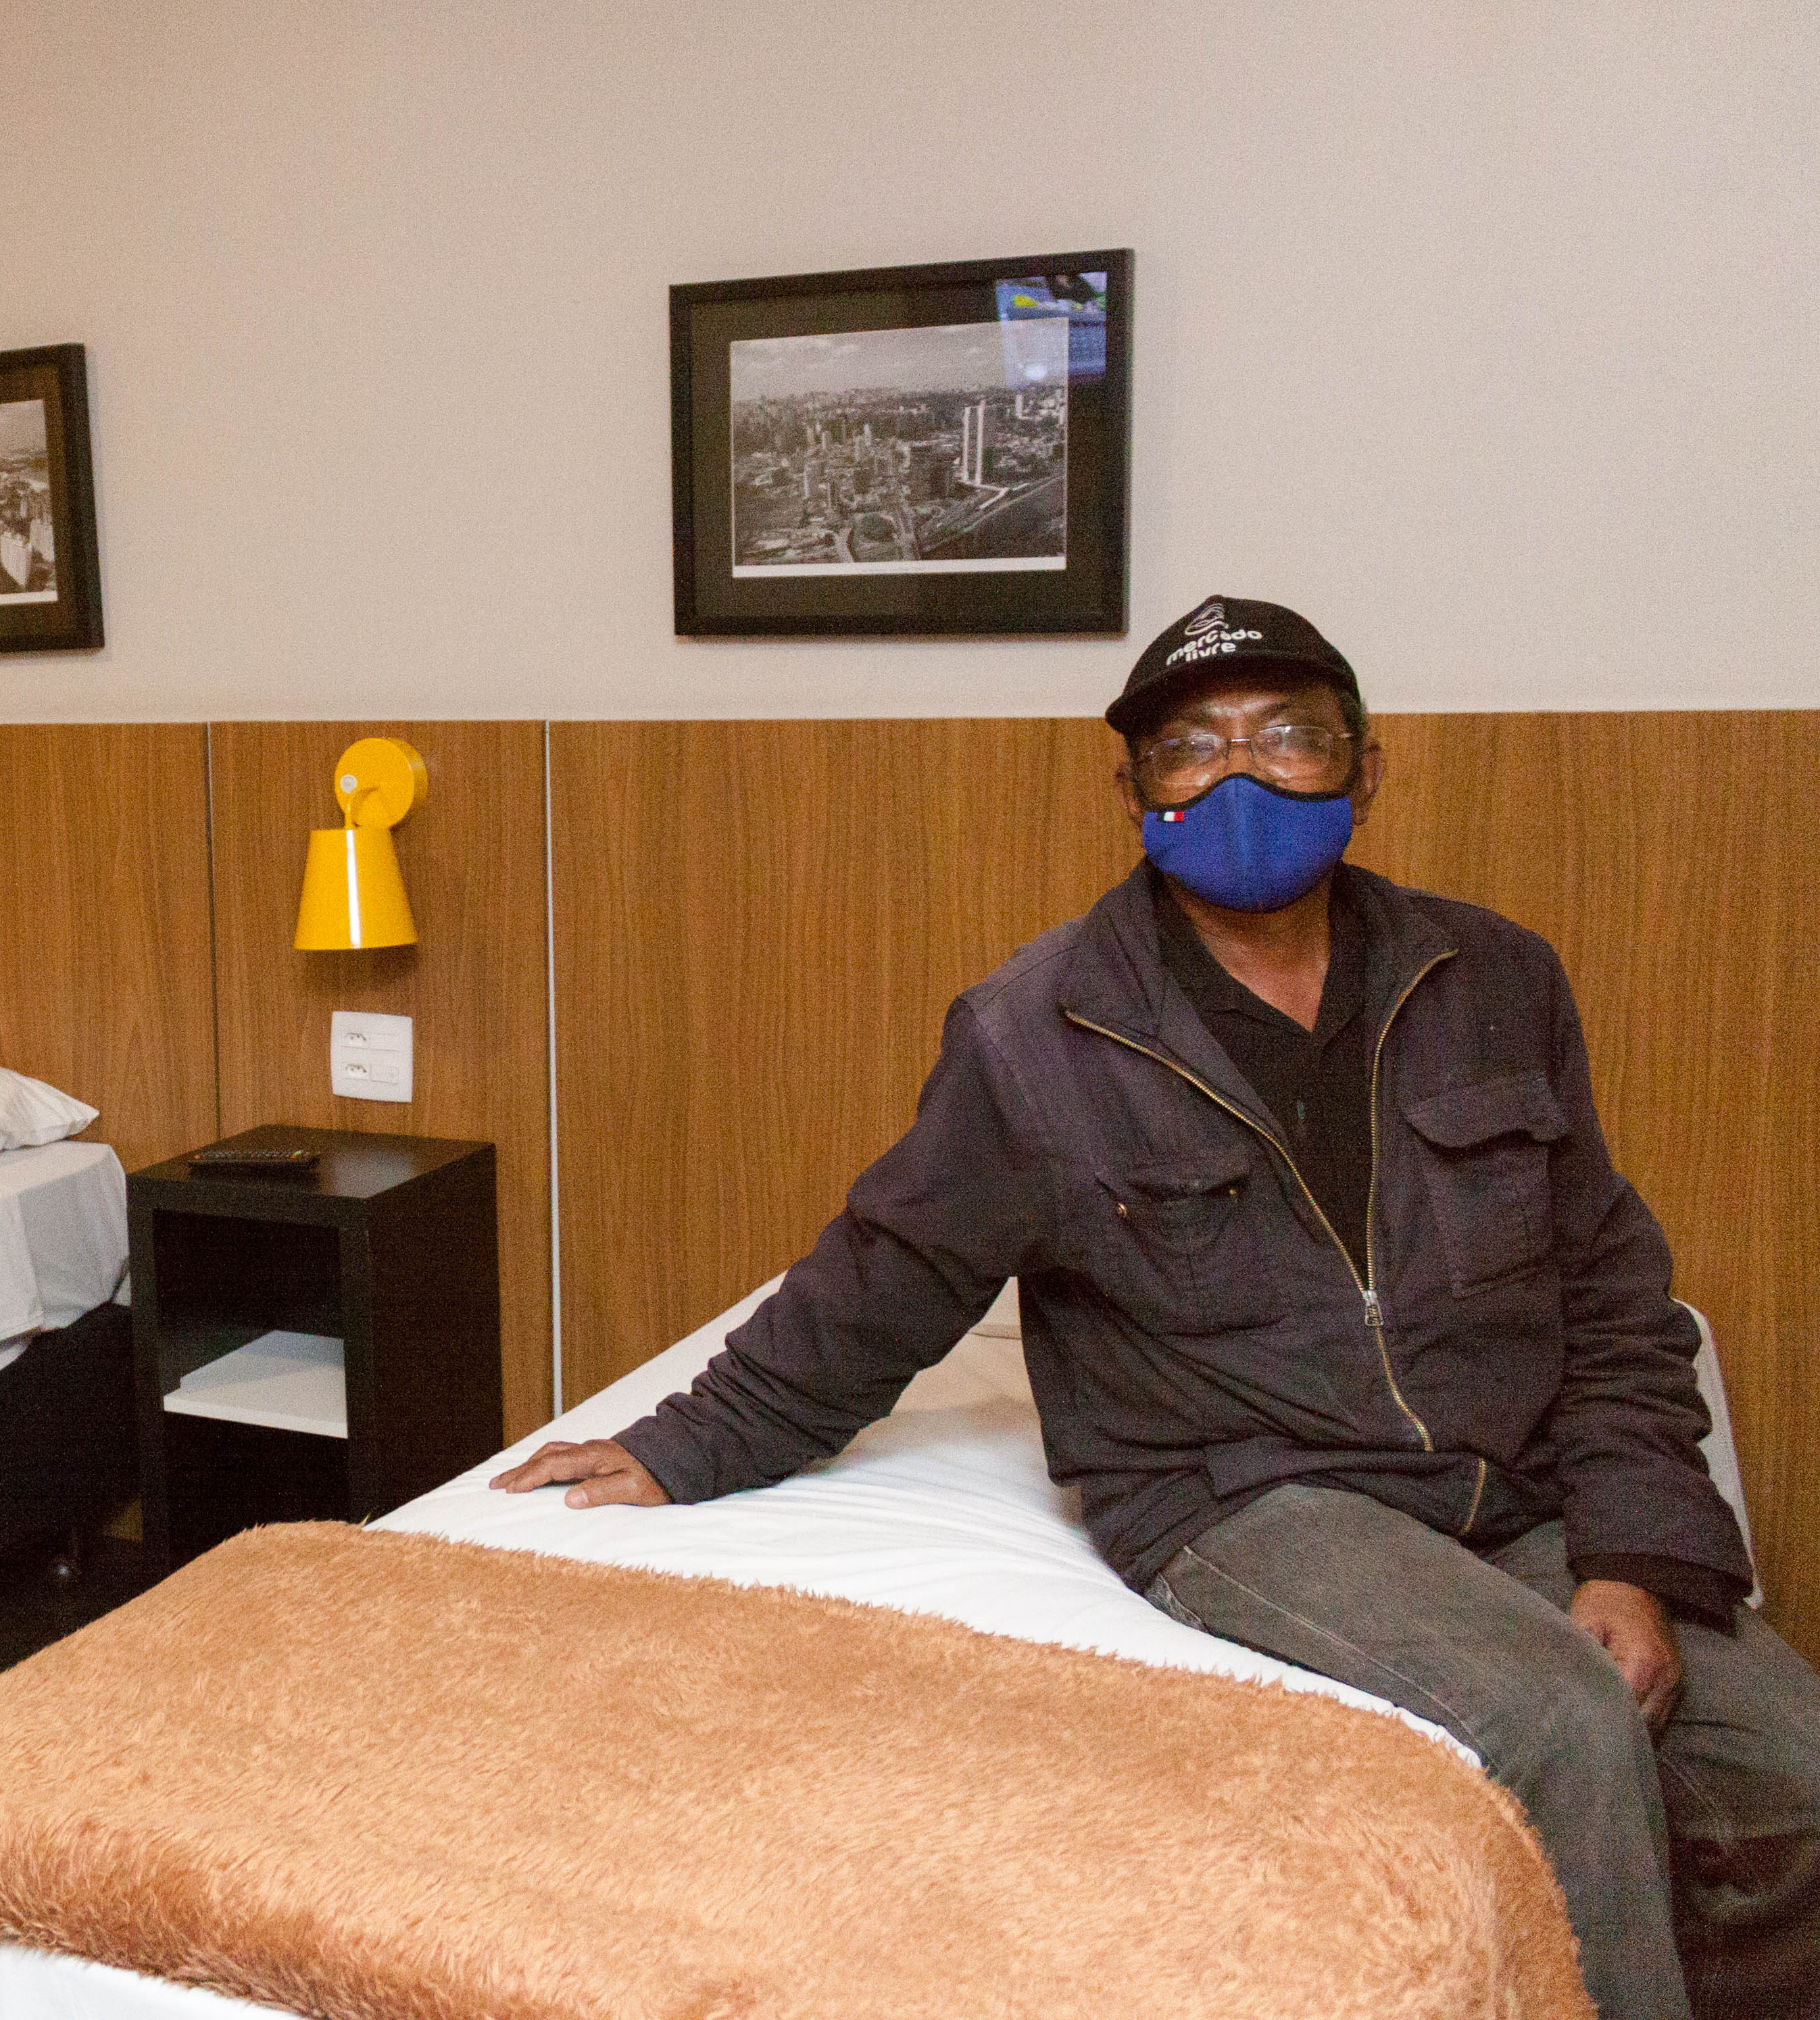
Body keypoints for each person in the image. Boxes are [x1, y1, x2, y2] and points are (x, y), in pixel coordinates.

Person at [493, 597, 1818, 2020]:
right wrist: (689, 1445)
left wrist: (1630, 1560)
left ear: (1370, 768)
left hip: (1522, 1468)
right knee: (1559, 1717)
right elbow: (889, 1271)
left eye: (1290, 737)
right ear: (1131, 790)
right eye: (1190, 751)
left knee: (1794, 1764)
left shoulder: (1494, 976)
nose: (1241, 780)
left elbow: (1612, 1290)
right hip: (1246, 1488)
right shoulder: (1036, 1029)